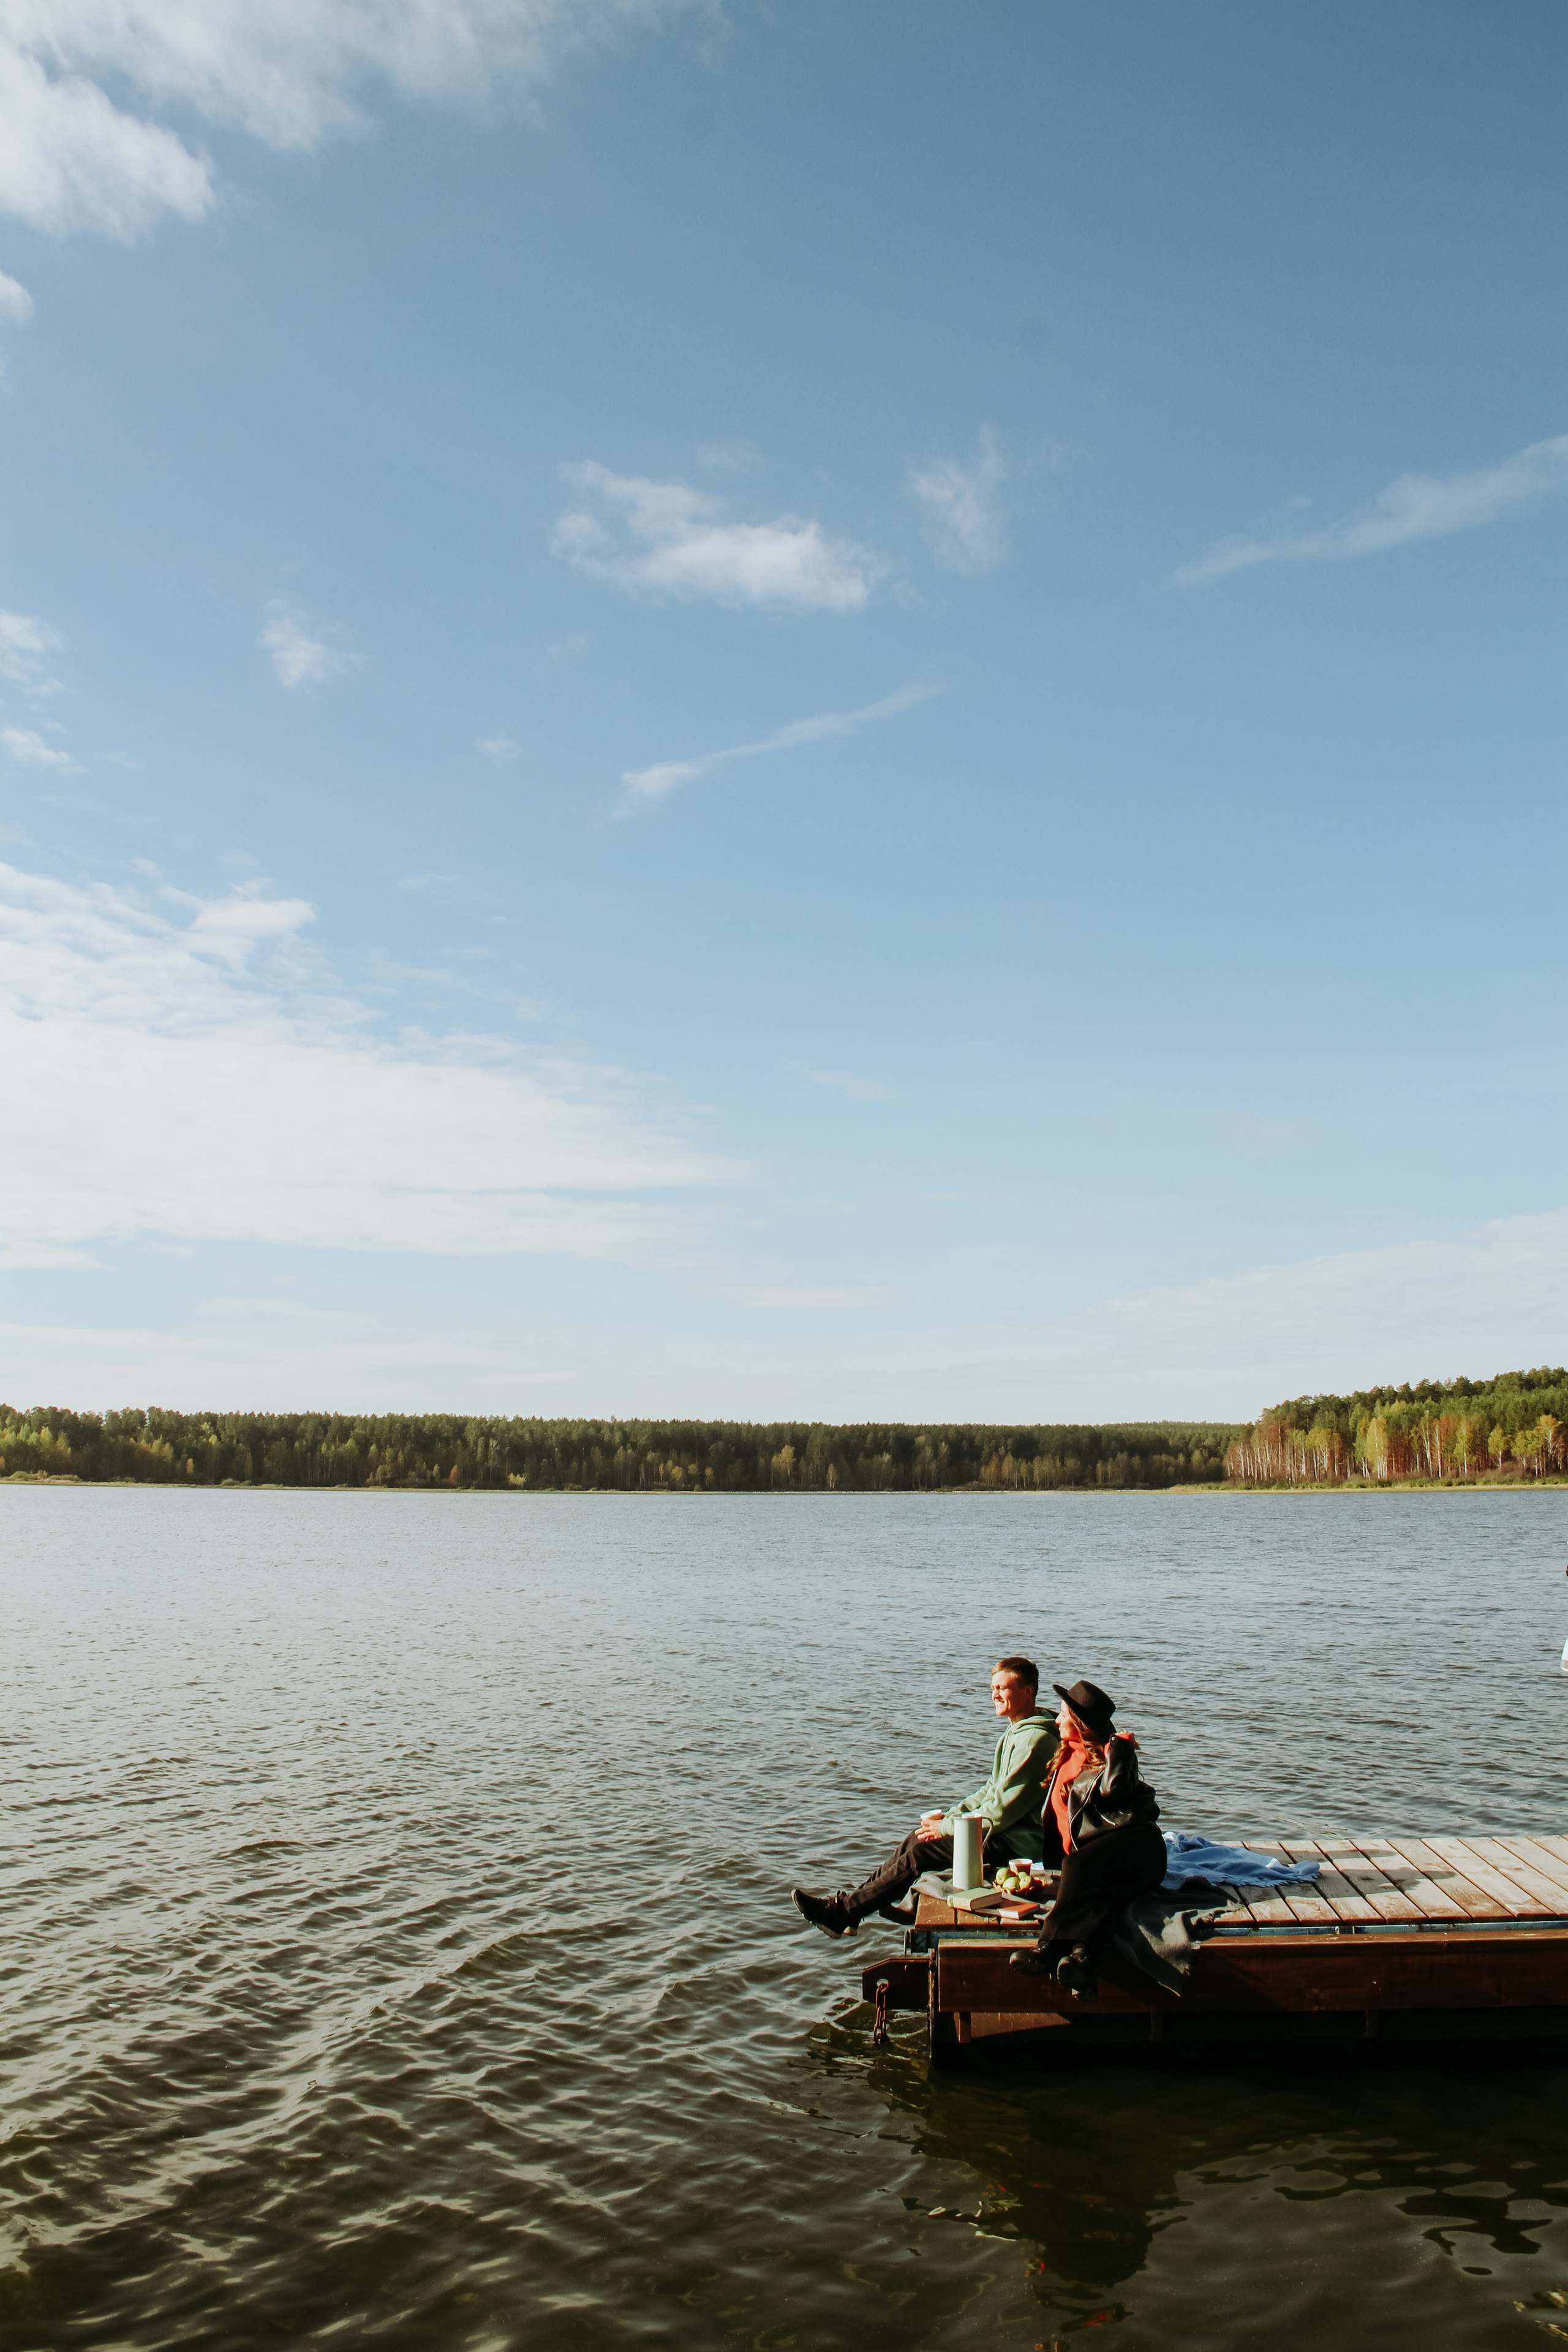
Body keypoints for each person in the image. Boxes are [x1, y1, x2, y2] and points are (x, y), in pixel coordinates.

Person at [790, 1655, 1058, 1937]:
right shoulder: (1018, 1732)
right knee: (916, 1838)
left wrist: (945, 1827)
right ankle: (850, 1909)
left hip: (1016, 1842)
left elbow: (1000, 1812)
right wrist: (950, 1816)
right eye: (992, 1688)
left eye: (1002, 1688)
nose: (994, 1694)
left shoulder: (1035, 1741)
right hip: (1001, 1830)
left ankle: (843, 1913)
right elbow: (990, 1790)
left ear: (1028, 1691)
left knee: (921, 1854)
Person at [1008, 1677, 1164, 2000]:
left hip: (1139, 1850)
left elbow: (1114, 1790)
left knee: (1080, 1867)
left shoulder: (1112, 1760)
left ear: (1081, 1723)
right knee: (1097, 1893)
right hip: (1099, 1862)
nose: (1057, 1719)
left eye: (1064, 1714)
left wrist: (1120, 1747)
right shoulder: (1065, 1756)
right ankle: (1081, 1957)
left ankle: (1047, 1948)